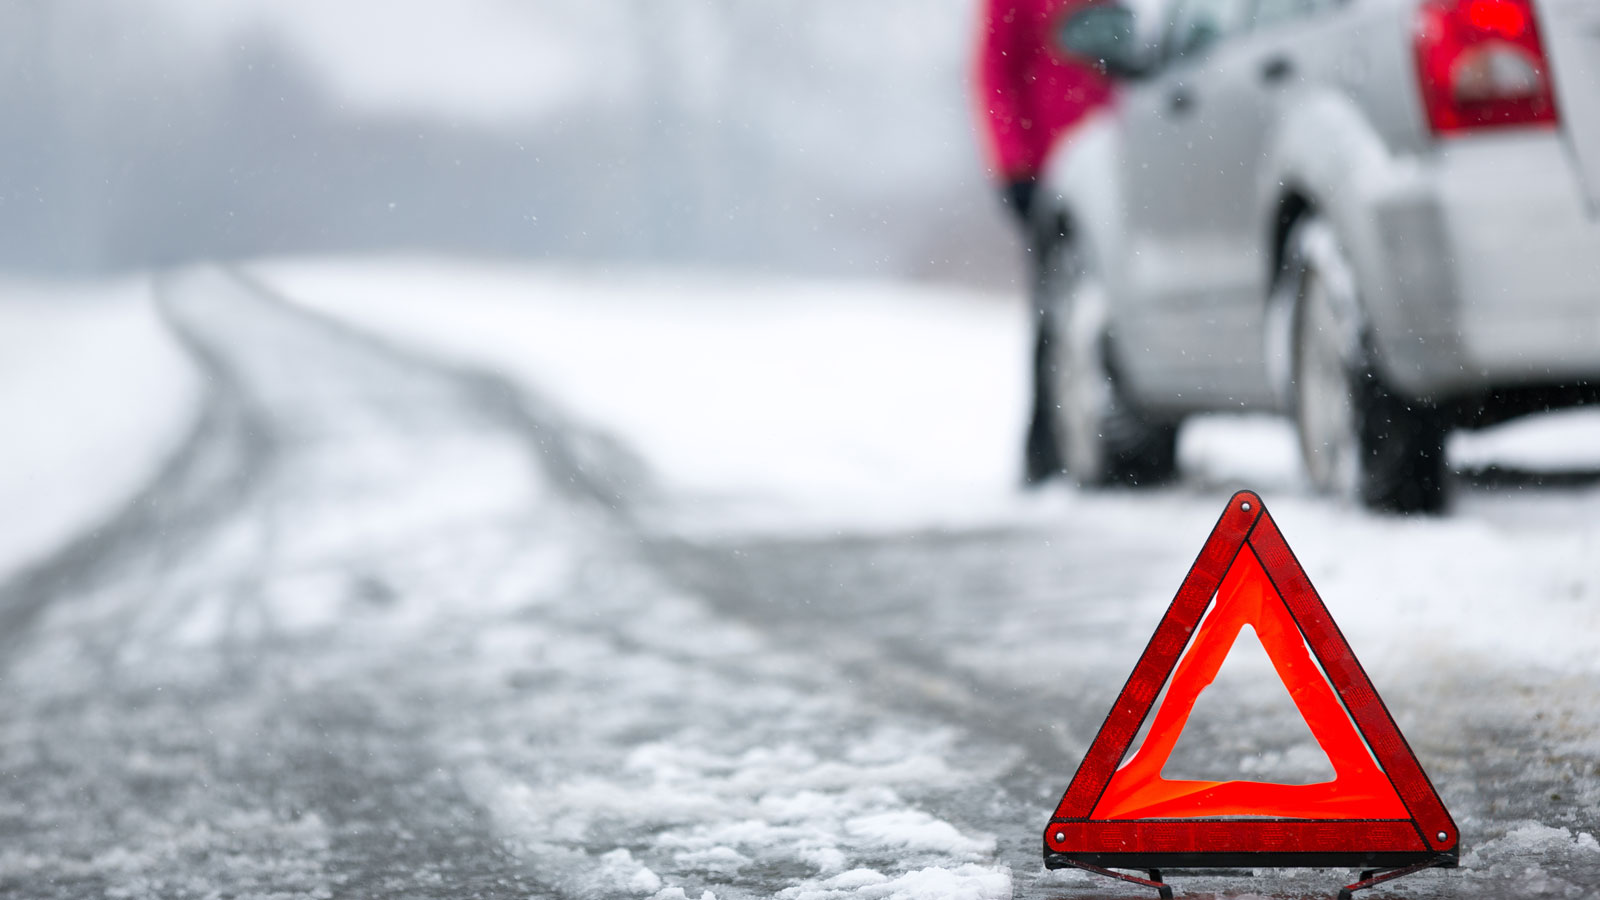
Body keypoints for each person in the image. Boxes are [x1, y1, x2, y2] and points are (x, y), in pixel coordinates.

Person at [974, 0, 1116, 484]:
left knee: (1113, 305)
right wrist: (1014, 164)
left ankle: (1126, 445)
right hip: (1052, 171)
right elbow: (996, 72)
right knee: (1055, 309)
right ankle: (1047, 448)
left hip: (1122, 165)